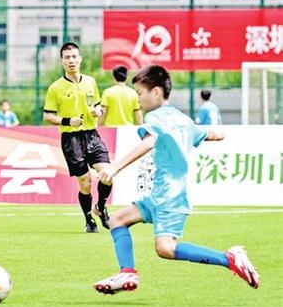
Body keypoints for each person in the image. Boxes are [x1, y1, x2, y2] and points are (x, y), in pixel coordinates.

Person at [94, 65, 259, 294]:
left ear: (156, 92)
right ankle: (127, 272)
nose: (137, 99)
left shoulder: (156, 117)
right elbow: (213, 134)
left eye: (140, 93)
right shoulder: (182, 119)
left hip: (169, 197)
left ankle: (229, 258)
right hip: (161, 194)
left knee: (166, 249)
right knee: (118, 220)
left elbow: (149, 141)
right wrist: (217, 133)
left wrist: (115, 168)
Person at [43, 42, 112, 233]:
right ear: (62, 61)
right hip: (71, 139)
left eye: (74, 56)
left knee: (107, 174)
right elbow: (47, 116)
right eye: (67, 57)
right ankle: (89, 219)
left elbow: (97, 105)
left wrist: (98, 111)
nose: (71, 60)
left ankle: (101, 207)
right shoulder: (55, 88)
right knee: (85, 182)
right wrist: (67, 121)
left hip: (92, 135)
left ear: (80, 59)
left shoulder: (90, 82)